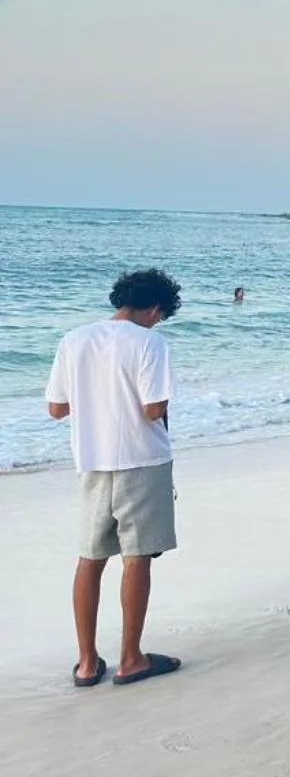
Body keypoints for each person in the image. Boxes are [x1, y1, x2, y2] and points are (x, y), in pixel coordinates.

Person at [46, 268, 185, 688]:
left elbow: (56, 408)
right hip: (141, 460)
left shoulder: (74, 339)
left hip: (91, 460)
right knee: (136, 557)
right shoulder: (150, 341)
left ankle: (87, 663)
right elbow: (153, 408)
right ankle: (131, 658)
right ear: (155, 308)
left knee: (90, 559)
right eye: (161, 315)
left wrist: (96, 403)